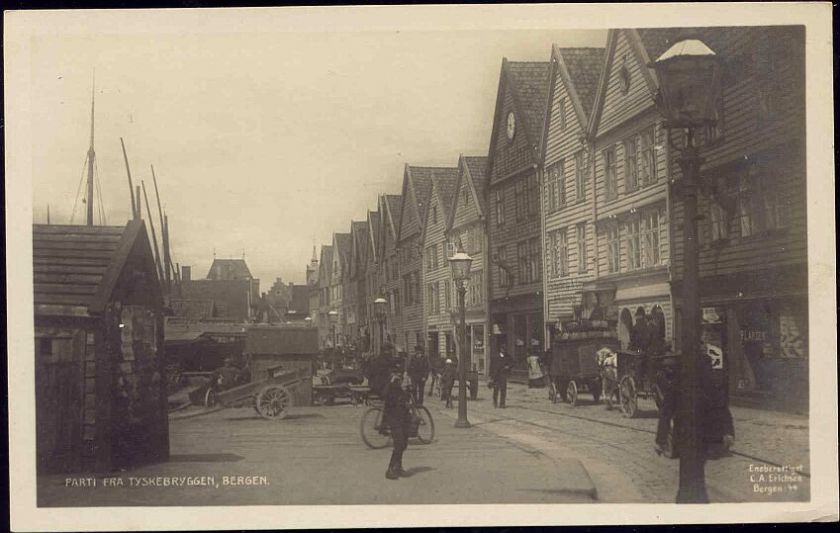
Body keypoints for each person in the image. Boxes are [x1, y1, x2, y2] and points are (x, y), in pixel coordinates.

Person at [382, 370, 411, 480]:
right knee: (399, 443)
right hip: (394, 418)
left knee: (404, 444)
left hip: (404, 417)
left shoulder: (402, 386)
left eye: (401, 375)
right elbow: (384, 394)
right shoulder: (391, 387)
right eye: (397, 375)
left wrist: (407, 388)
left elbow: (408, 399)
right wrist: (391, 383)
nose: (400, 377)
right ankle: (390, 469)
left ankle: (398, 466)